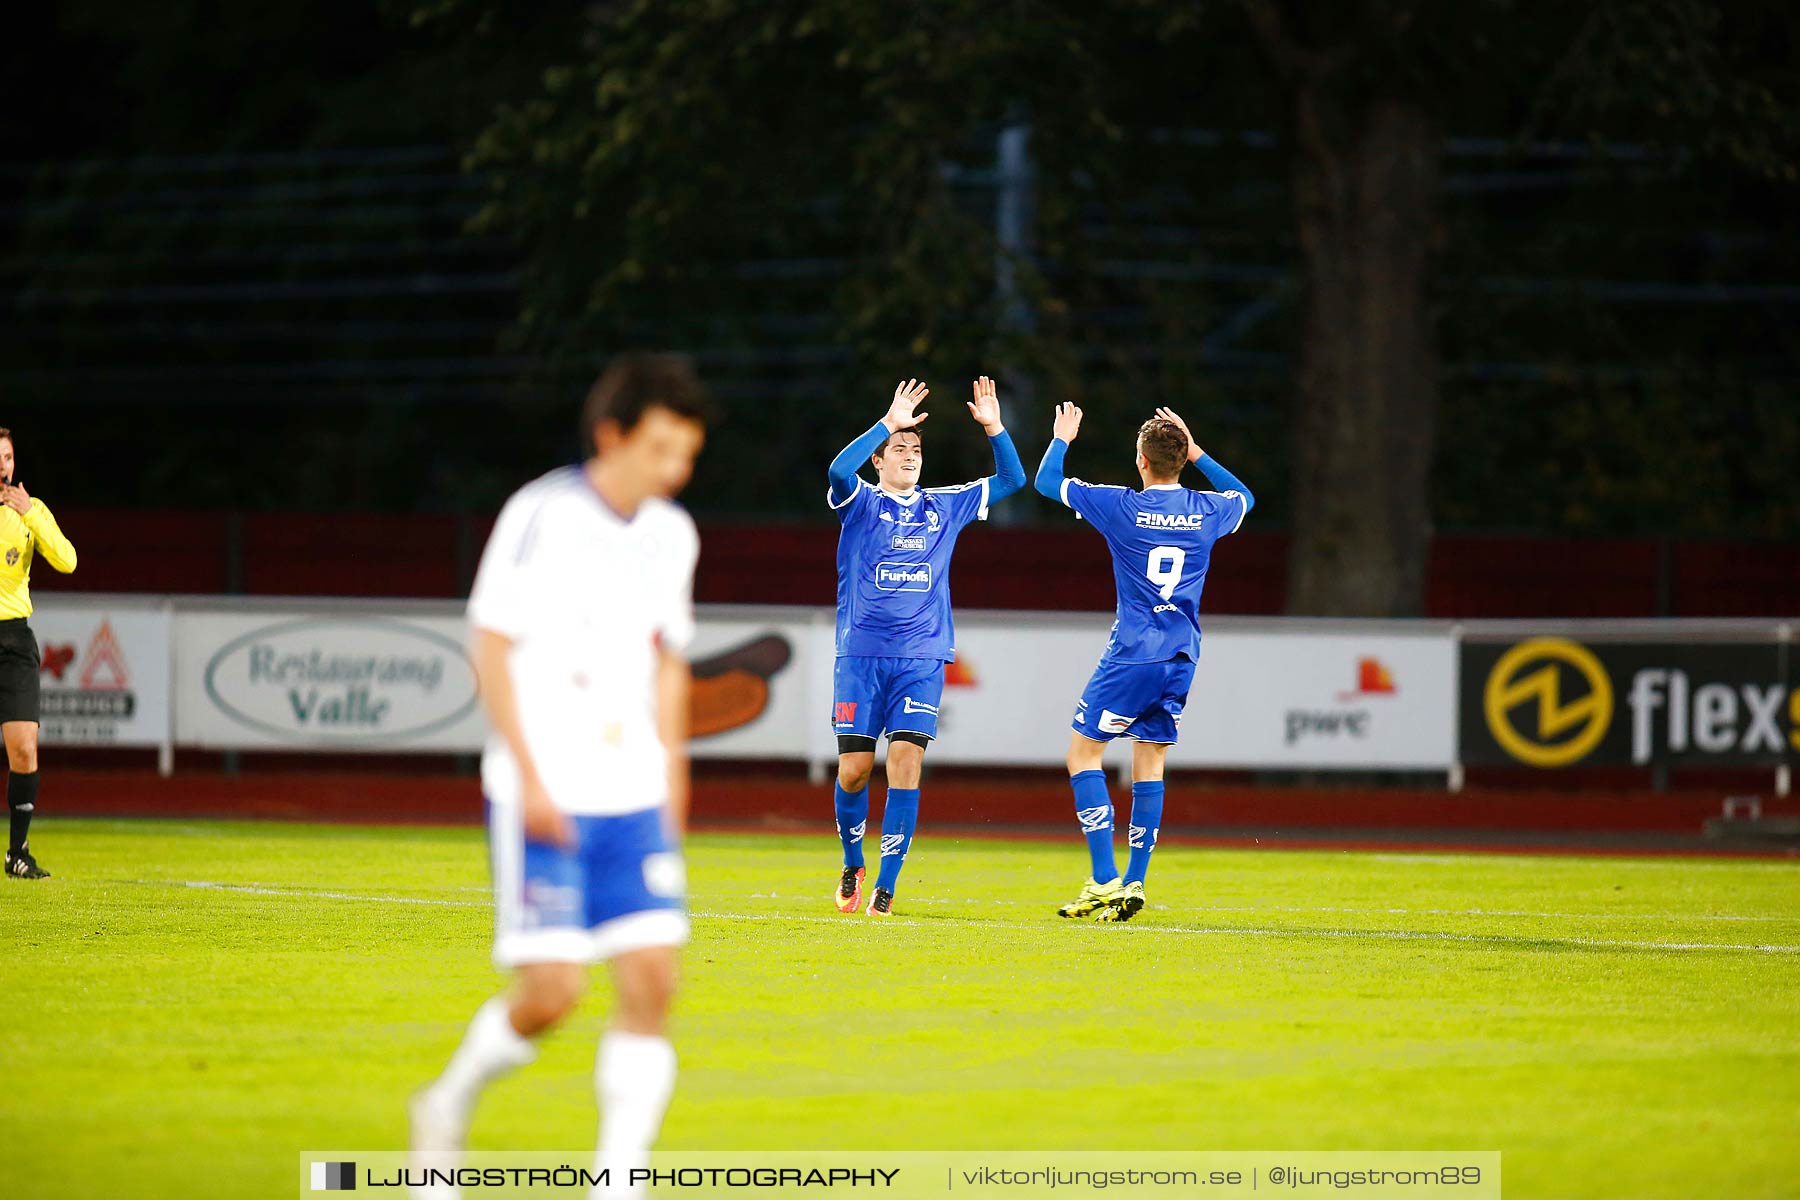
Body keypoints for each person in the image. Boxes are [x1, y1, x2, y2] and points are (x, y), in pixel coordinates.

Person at [409, 355, 713, 1200]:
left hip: (633, 792)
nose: (673, 470)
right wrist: (531, 776)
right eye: (659, 448)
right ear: (612, 434)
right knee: (552, 993)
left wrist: (674, 784)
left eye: (685, 453)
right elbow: (489, 646)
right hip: (544, 787)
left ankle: (619, 1182)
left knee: (654, 979)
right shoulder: (540, 514)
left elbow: (669, 666)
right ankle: (444, 1107)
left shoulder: (672, 534)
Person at [1033, 404, 1253, 921]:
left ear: (1141, 462)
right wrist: (1199, 451)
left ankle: (1106, 879)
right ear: (1180, 460)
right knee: (1149, 760)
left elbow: (1047, 482)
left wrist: (1063, 437)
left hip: (1134, 653)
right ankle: (1133, 882)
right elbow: (1245, 497)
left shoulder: (1120, 507)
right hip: (1182, 653)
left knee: (1082, 756)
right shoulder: (1206, 509)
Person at [826, 376, 1026, 916]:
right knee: (854, 772)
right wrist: (888, 422)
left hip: (921, 657)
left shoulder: (946, 505)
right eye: (899, 448)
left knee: (906, 764)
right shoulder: (860, 501)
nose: (910, 455)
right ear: (880, 459)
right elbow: (837, 470)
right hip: (861, 656)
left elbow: (1013, 477)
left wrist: (994, 427)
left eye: (916, 448)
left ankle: (887, 887)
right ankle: (853, 861)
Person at [0, 428, 79, 880]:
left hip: (12, 641)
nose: (2, 464)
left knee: (25, 750)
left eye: (7, 456)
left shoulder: (31, 512)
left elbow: (67, 560)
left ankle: (17, 853)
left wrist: (32, 515)